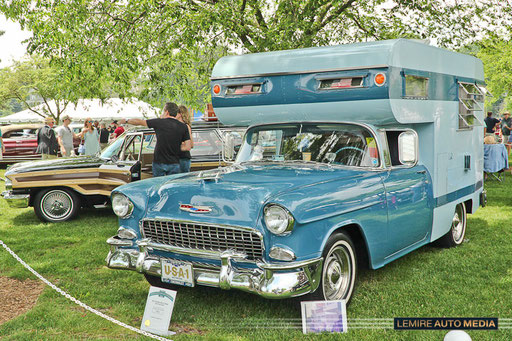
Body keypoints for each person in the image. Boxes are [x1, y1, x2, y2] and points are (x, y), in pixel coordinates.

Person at [119, 102, 191, 176]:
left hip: (159, 162)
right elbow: (188, 146)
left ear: (167, 112)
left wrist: (126, 121)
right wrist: (175, 147)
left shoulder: (159, 122)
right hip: (174, 163)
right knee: (172, 185)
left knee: (157, 184)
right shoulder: (183, 127)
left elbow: (140, 122)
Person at [177, 105, 194, 172]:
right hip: (179, 158)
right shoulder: (177, 126)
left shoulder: (186, 126)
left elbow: (191, 144)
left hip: (183, 158)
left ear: (180, 114)